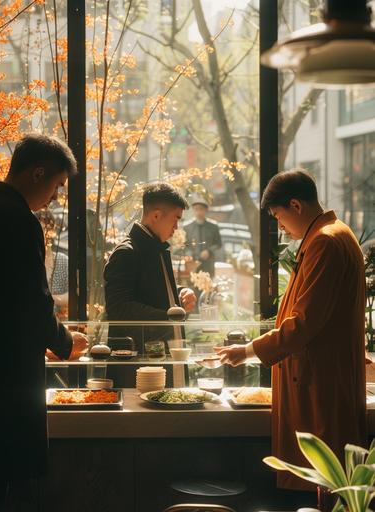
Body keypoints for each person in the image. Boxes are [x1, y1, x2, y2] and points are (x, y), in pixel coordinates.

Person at [215, 170, 367, 496]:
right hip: (323, 379)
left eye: (278, 217)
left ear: (295, 205)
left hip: (321, 385)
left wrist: (249, 350)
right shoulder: (331, 235)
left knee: (326, 484)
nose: (280, 227)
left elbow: (303, 323)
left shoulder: (325, 242)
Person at [0, 133, 88, 510]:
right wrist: (66, 343)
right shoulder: (18, 221)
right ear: (37, 174)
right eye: (56, 186)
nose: (54, 198)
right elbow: (33, 303)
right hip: (0, 384)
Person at [104, 183, 196, 352]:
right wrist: (170, 316)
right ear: (156, 215)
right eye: (176, 219)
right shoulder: (126, 252)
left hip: (158, 353)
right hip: (137, 359)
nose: (176, 228)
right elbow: (119, 308)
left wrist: (179, 293)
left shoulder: (155, 247)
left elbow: (151, 291)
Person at [36, 209, 69, 319]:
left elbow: (73, 296)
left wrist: (48, 299)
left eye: (47, 230)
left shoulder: (62, 260)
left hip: (60, 323)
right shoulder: (28, 261)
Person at [184, 196, 222, 277]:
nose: (199, 212)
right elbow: (184, 245)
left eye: (201, 209)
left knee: (208, 287)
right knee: (192, 286)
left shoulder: (213, 226)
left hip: (208, 264)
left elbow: (218, 243)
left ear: (206, 210)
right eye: (196, 209)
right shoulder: (187, 226)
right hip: (193, 263)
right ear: (193, 210)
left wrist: (209, 251)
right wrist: (190, 254)